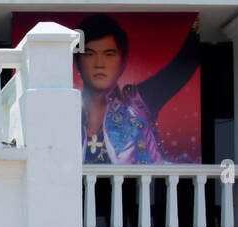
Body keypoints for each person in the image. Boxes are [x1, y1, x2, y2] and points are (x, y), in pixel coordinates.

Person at [76, 13, 200, 164]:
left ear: (123, 61)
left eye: (109, 54)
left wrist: (198, 29)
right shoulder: (66, 113)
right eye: (89, 54)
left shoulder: (136, 103)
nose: (99, 63)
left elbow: (179, 71)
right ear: (77, 61)